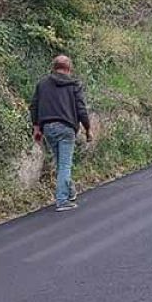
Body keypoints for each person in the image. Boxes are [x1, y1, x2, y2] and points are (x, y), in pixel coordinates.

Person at [30, 55, 92, 212]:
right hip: (66, 128)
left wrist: (37, 129)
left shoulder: (42, 84)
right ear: (69, 68)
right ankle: (62, 200)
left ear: (54, 67)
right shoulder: (73, 85)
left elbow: (34, 106)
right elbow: (81, 109)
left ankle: (70, 192)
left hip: (48, 128)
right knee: (65, 164)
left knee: (60, 162)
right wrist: (87, 129)